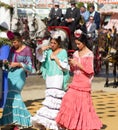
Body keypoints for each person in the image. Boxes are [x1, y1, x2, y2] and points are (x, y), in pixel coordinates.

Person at [56, 29, 103, 130]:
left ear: (84, 43)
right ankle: (70, 124)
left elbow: (90, 70)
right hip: (75, 81)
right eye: (76, 44)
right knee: (68, 100)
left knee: (83, 106)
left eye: (79, 44)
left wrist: (78, 64)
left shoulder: (89, 54)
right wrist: (71, 64)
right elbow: (73, 70)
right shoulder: (76, 53)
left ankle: (83, 126)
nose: (77, 46)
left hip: (84, 82)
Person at [31, 31, 70, 130]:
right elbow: (38, 54)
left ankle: (57, 125)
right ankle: (45, 124)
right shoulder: (48, 51)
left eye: (54, 43)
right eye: (51, 43)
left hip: (58, 78)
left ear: (59, 44)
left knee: (55, 104)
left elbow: (65, 66)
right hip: (49, 79)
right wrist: (44, 48)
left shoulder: (63, 52)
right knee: (48, 103)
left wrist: (56, 59)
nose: (52, 45)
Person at [0, 31, 34, 130]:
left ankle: (25, 120)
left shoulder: (27, 50)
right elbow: (9, 64)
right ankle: (12, 121)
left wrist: (19, 64)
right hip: (11, 74)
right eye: (12, 42)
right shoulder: (11, 49)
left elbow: (31, 67)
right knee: (10, 97)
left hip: (20, 74)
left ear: (20, 40)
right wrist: (6, 63)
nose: (13, 44)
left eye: (15, 42)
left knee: (15, 95)